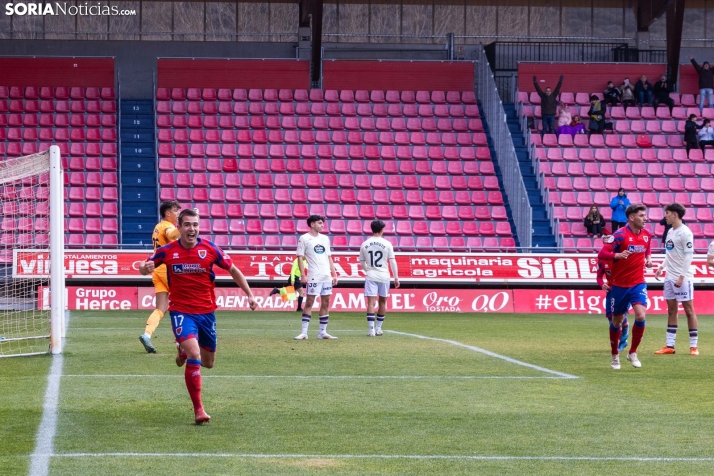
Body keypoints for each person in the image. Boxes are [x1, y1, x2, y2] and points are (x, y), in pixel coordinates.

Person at [139, 209, 258, 424]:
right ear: (179, 228)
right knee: (195, 353)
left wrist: (250, 294)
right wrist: (143, 268)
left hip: (206, 313)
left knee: (208, 362)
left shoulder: (210, 249)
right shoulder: (167, 251)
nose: (191, 229)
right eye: (187, 225)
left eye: (195, 225)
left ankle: (182, 351)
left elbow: (234, 271)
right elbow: (143, 267)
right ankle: (199, 410)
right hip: (181, 311)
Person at [598, 204, 653, 370]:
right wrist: (617, 255)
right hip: (619, 286)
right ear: (631, 217)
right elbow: (602, 253)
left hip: (638, 283)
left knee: (640, 316)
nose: (645, 218)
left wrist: (648, 259)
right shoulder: (620, 235)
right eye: (642, 215)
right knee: (617, 321)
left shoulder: (647, 235)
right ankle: (615, 355)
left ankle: (633, 352)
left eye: (645, 215)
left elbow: (647, 248)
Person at [654, 203, 698, 356]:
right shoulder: (670, 231)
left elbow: (688, 256)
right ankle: (670, 346)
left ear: (674, 214)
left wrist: (682, 276)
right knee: (671, 310)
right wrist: (661, 267)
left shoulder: (685, 232)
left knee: (689, 310)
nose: (665, 216)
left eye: (667, 213)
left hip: (682, 278)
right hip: (669, 277)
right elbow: (670, 253)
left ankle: (693, 347)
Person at [139, 200, 181, 354]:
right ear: (167, 213)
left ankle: (146, 334)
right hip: (167, 269)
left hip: (156, 269)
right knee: (181, 303)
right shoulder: (168, 226)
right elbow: (172, 234)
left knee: (161, 308)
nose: (177, 214)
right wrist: (182, 227)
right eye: (176, 211)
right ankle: (182, 339)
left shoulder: (157, 226)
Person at [294, 215, 339, 340]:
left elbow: (329, 257)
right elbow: (299, 257)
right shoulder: (304, 238)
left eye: (322, 223)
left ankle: (322, 332)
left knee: (326, 302)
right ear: (312, 224)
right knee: (309, 302)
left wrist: (334, 274)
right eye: (320, 223)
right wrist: (303, 275)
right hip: (314, 275)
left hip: (326, 276)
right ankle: (304, 332)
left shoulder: (325, 239)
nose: (322, 225)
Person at [359, 220, 400, 337]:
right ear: (382, 229)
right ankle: (378, 329)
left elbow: (362, 261)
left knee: (371, 303)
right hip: (384, 276)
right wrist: (396, 278)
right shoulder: (387, 244)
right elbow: (392, 261)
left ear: (372, 229)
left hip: (371, 275)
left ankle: (371, 330)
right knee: (383, 302)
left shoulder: (365, 244)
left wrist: (367, 270)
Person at [597, 247, 629, 353]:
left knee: (619, 316)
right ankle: (619, 341)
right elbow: (599, 276)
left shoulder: (622, 258)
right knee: (611, 318)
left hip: (623, 289)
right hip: (611, 291)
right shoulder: (602, 260)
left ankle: (623, 340)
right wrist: (602, 284)